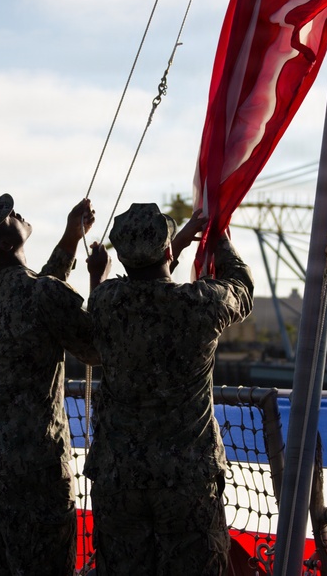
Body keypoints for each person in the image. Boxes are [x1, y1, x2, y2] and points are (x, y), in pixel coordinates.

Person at [0, 193, 110, 575]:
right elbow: (98, 347)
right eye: (5, 216)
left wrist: (71, 238)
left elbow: (39, 290)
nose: (14, 212)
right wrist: (98, 279)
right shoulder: (41, 294)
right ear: (5, 242)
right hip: (32, 469)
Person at [85, 202, 254, 576]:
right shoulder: (201, 303)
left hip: (119, 477)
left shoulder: (107, 301)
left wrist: (99, 275)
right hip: (186, 479)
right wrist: (218, 238)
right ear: (167, 252)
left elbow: (134, 285)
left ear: (123, 260)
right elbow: (241, 287)